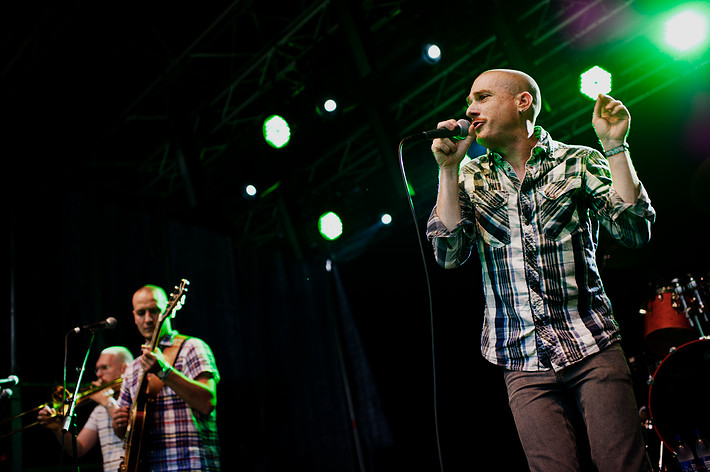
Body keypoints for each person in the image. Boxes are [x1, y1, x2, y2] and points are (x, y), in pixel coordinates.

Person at [427, 69, 655, 471]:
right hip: (519, 358)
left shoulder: (578, 160)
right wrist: (447, 170)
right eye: (468, 103)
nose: (470, 109)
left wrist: (615, 147)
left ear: (521, 102)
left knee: (623, 465)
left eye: (481, 97)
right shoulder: (470, 175)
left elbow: (634, 230)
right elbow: (447, 254)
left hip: (590, 342)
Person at [112, 284, 220, 470]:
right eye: (141, 313)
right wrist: (119, 425)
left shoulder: (192, 347)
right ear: (134, 317)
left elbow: (207, 402)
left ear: (169, 311)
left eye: (154, 311)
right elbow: (127, 432)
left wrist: (164, 371)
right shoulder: (133, 368)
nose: (147, 319)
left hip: (190, 465)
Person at [38, 346, 134, 472]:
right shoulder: (99, 411)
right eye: (97, 369)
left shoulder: (136, 401)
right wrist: (58, 428)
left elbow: (131, 433)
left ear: (124, 369)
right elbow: (79, 449)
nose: (98, 374)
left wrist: (107, 402)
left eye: (105, 367)